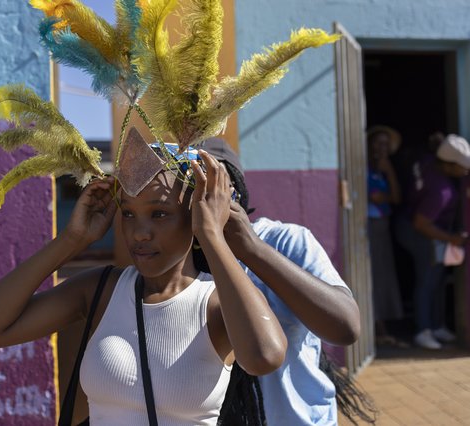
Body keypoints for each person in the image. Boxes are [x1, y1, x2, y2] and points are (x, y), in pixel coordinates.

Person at [0, 148, 287, 425]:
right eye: (128, 214)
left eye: (159, 214)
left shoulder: (215, 302)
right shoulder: (100, 290)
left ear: (195, 215)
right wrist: (73, 240)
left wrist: (213, 235)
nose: (139, 232)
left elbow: (264, 357)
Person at [197, 137, 369, 425]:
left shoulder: (284, 241)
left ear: (234, 193)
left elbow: (346, 327)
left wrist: (252, 249)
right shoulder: (175, 258)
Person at [395, 134, 470, 349]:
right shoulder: (441, 192)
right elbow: (422, 224)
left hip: (408, 222)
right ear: (447, 165)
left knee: (437, 277)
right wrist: (452, 239)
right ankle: (423, 330)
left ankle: (437, 326)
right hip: (417, 230)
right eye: (462, 167)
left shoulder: (428, 161)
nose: (466, 171)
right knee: (428, 280)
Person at [366, 126, 405, 345]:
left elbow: (396, 198)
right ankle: (377, 328)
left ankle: (381, 326)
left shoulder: (384, 169)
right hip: (369, 226)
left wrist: (389, 171)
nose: (382, 148)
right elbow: (376, 197)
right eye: (378, 143)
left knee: (384, 275)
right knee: (373, 276)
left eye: (385, 144)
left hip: (382, 225)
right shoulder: (363, 168)